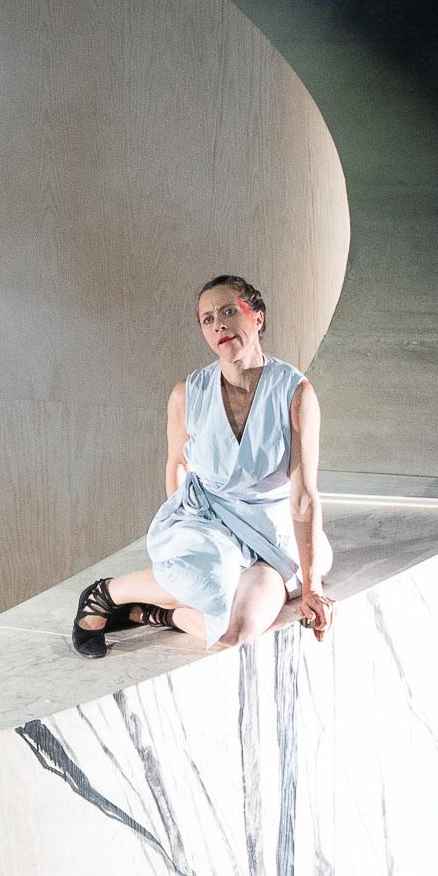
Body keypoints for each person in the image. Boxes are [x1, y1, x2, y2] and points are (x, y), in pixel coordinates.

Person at [71, 275, 338, 658]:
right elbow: (177, 464)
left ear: (257, 317)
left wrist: (312, 587)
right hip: (209, 519)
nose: (220, 325)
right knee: (206, 579)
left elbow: (303, 496)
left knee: (232, 631)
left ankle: (153, 614)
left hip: (270, 530)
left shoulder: (295, 392)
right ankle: (104, 593)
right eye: (208, 319)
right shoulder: (187, 394)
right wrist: (186, 533)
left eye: (230, 311)